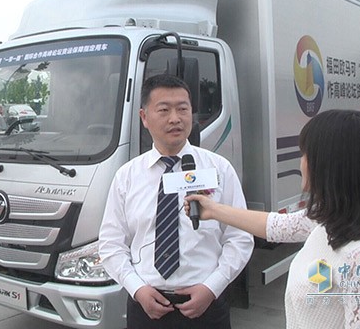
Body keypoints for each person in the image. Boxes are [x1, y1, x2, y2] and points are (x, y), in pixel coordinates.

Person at [185, 109, 360, 329]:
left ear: (329, 164)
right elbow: (275, 226)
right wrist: (214, 210)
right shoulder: (328, 221)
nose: (301, 163)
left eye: (305, 154)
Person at [99, 74, 254, 328]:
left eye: (183, 109)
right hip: (146, 307)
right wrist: (137, 289)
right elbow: (111, 244)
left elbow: (240, 237)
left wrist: (212, 287)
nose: (175, 118)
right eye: (164, 110)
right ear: (144, 117)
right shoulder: (126, 176)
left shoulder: (219, 169)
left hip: (207, 306)